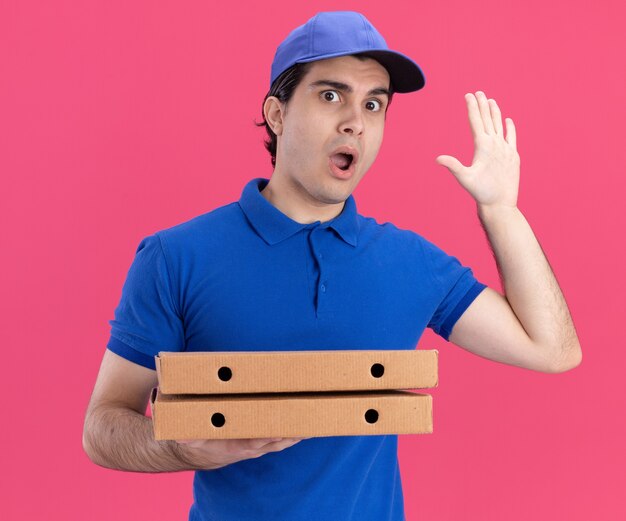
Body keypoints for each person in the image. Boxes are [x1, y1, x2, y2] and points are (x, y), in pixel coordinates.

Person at [82, 10, 582, 521]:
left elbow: (553, 350)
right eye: (330, 95)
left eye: (373, 104)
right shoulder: (175, 257)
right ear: (277, 115)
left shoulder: (409, 263)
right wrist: (183, 450)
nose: (355, 121)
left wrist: (501, 212)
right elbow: (103, 427)